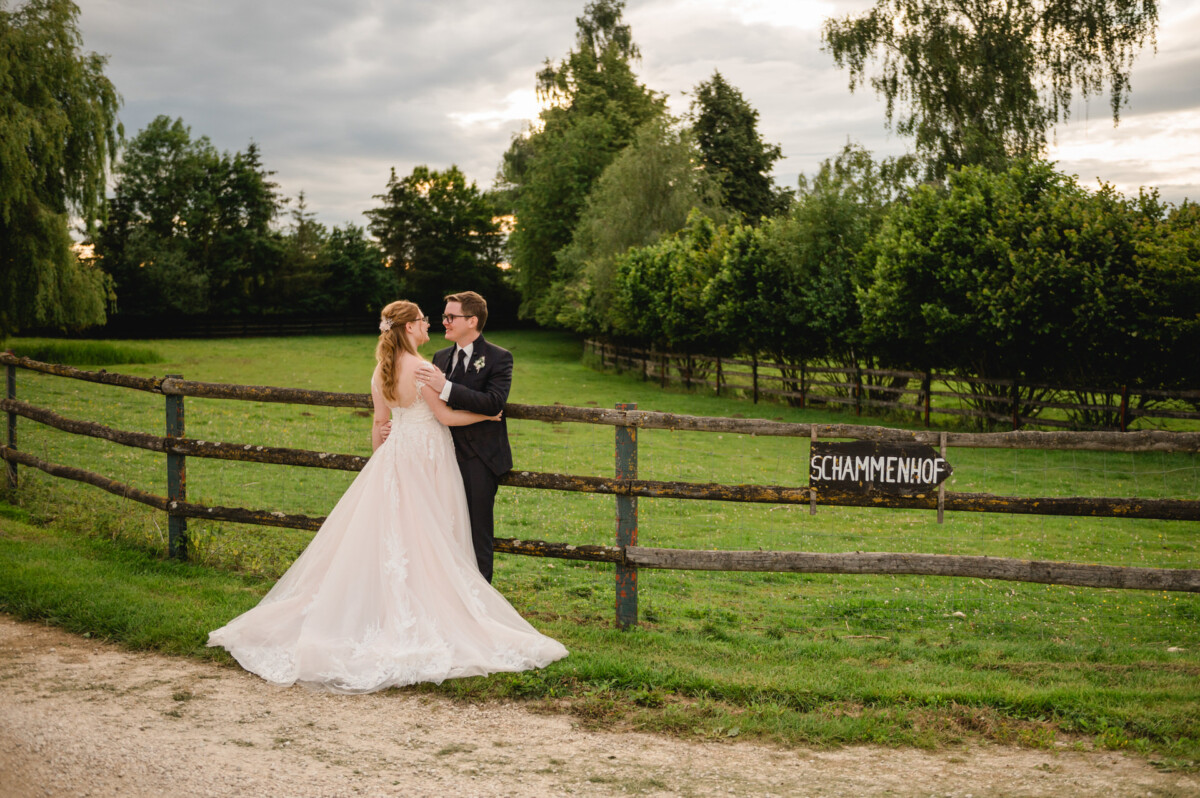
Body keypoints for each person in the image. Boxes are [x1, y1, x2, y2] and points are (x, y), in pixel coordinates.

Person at [207, 300, 567, 693]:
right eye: (425, 320)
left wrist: (385, 465)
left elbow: (380, 427)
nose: (431, 323)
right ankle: (440, 613)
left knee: (395, 536)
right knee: (427, 535)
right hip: (427, 456)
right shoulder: (423, 367)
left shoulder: (380, 371)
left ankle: (378, 611)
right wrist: (488, 416)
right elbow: (445, 417)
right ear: (409, 328)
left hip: (395, 460)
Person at [413, 291, 511, 583]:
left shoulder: (498, 357)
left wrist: (447, 387)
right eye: (444, 316)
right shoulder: (440, 357)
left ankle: (481, 599)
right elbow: (430, 404)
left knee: (477, 532)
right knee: (445, 527)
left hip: (479, 457)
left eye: (450, 317)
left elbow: (494, 402)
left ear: (472, 320)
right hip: (442, 454)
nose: (444, 322)